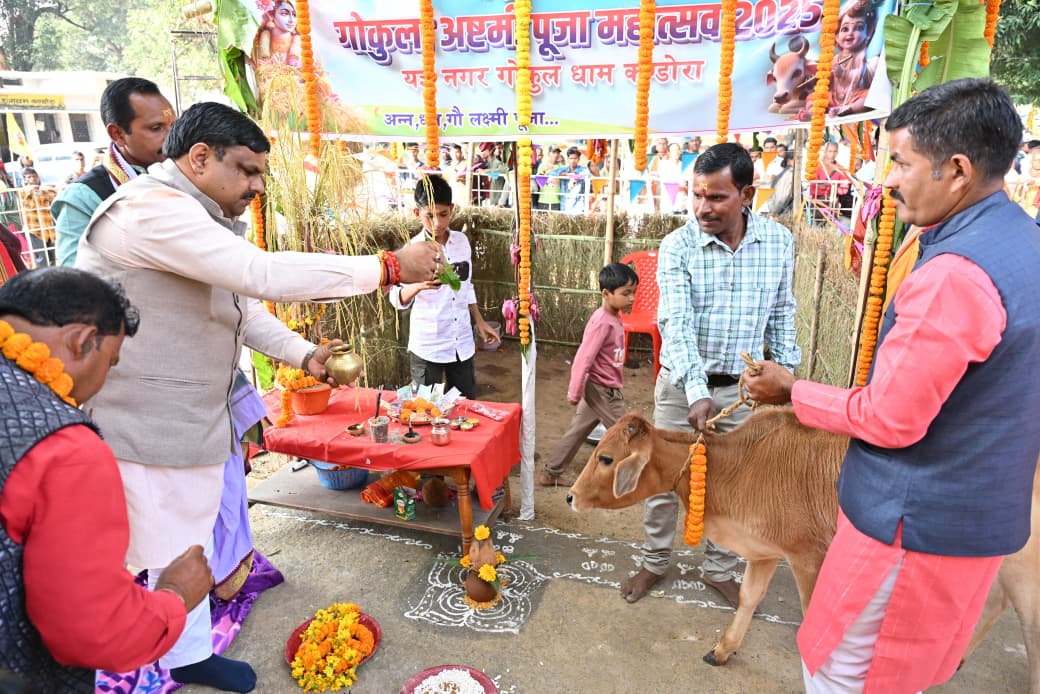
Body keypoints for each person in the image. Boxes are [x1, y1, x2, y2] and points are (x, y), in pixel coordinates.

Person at [74, 102, 442, 692]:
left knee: (185, 545)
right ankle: (93, 660)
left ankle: (186, 654)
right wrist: (388, 267)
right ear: (200, 158)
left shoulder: (200, 218)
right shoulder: (151, 212)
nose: (257, 186)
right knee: (134, 551)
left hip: (192, 418)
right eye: (246, 170)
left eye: (260, 173)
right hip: (141, 423)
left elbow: (240, 308)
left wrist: (304, 354)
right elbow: (261, 273)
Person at [744, 77, 1040, 694]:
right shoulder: (1024, 241)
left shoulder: (954, 276)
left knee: (842, 672)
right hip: (974, 521)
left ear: (956, 170)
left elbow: (890, 417)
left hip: (912, 528)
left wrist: (793, 392)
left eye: (901, 163)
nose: (887, 179)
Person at [0, 267, 213, 691]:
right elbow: (94, 631)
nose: (104, 379)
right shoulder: (64, 449)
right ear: (81, 341)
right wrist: (175, 592)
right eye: (110, 363)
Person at [620, 143, 800, 608]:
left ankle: (719, 570)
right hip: (681, 388)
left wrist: (786, 379)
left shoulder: (778, 243)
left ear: (747, 195)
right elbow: (675, 324)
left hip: (745, 392)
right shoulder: (677, 246)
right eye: (697, 195)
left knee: (732, 485)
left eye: (717, 197)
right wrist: (697, 390)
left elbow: (782, 315)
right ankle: (654, 561)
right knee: (661, 478)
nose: (703, 207)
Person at [389, 175, 499, 399]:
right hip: (428, 345)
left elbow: (464, 287)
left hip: (461, 343)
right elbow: (396, 298)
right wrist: (418, 286)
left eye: (443, 214)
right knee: (425, 408)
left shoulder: (461, 242)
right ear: (417, 213)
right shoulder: (411, 250)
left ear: (452, 209)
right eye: (429, 216)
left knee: (465, 405)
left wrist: (479, 322)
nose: (437, 223)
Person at [52, 77, 175, 266]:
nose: (172, 137)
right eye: (156, 128)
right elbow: (74, 278)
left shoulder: (182, 173)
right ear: (117, 134)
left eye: (173, 126)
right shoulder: (82, 198)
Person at [538, 262, 638, 486]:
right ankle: (632, 478)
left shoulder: (614, 317)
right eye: (626, 293)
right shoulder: (602, 322)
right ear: (606, 294)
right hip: (602, 390)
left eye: (633, 292)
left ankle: (550, 473)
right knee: (627, 433)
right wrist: (574, 392)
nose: (631, 298)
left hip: (602, 387)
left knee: (577, 431)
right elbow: (583, 358)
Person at [829, 0, 880, 117]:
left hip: (855, 96)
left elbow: (859, 75)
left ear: (868, 33)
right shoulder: (835, 59)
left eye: (858, 28)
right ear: (836, 36)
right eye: (845, 29)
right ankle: (812, 112)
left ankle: (849, 109)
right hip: (835, 97)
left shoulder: (861, 57)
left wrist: (843, 73)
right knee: (814, 96)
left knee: (869, 98)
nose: (850, 33)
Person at [810, 141, 854, 223]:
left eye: (835, 151)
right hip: (818, 200)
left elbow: (844, 188)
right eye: (830, 151)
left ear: (837, 153)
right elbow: (812, 185)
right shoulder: (817, 166)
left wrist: (833, 188)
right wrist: (820, 186)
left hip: (834, 200)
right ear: (825, 151)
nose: (832, 154)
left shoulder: (840, 168)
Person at [252, 0, 302, 68]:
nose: (291, 20)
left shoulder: (298, 41)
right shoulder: (264, 38)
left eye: (294, 15)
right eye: (284, 13)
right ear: (272, 15)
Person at [759, 150, 796, 218]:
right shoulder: (789, 174)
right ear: (790, 160)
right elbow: (782, 197)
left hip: (779, 211)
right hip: (781, 213)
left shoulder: (788, 173)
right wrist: (775, 213)